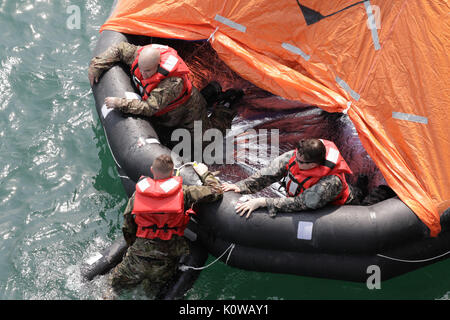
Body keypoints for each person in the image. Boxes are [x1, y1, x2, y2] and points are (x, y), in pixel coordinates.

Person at [107, 154, 223, 298]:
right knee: (154, 292)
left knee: (111, 288)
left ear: (152, 170)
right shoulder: (185, 193)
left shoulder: (138, 195)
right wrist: (204, 172)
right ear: (172, 173)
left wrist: (133, 244)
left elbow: (128, 227)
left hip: (137, 259)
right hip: (165, 264)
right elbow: (217, 190)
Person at [88, 42, 243, 139]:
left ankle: (226, 106)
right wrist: (97, 65)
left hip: (189, 110)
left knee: (208, 138)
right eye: (141, 69)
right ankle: (212, 91)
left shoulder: (170, 84)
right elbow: (119, 48)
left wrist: (120, 103)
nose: (143, 74)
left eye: (148, 71)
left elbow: (149, 108)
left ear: (158, 64)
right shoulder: (140, 55)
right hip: (172, 105)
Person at [221, 138, 365, 219]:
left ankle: (377, 192)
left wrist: (263, 202)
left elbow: (301, 203)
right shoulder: (297, 156)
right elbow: (270, 172)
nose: (296, 162)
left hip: (342, 205)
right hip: (308, 194)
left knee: (363, 204)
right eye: (296, 156)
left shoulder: (330, 183)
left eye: (301, 162)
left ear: (314, 164)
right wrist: (242, 186)